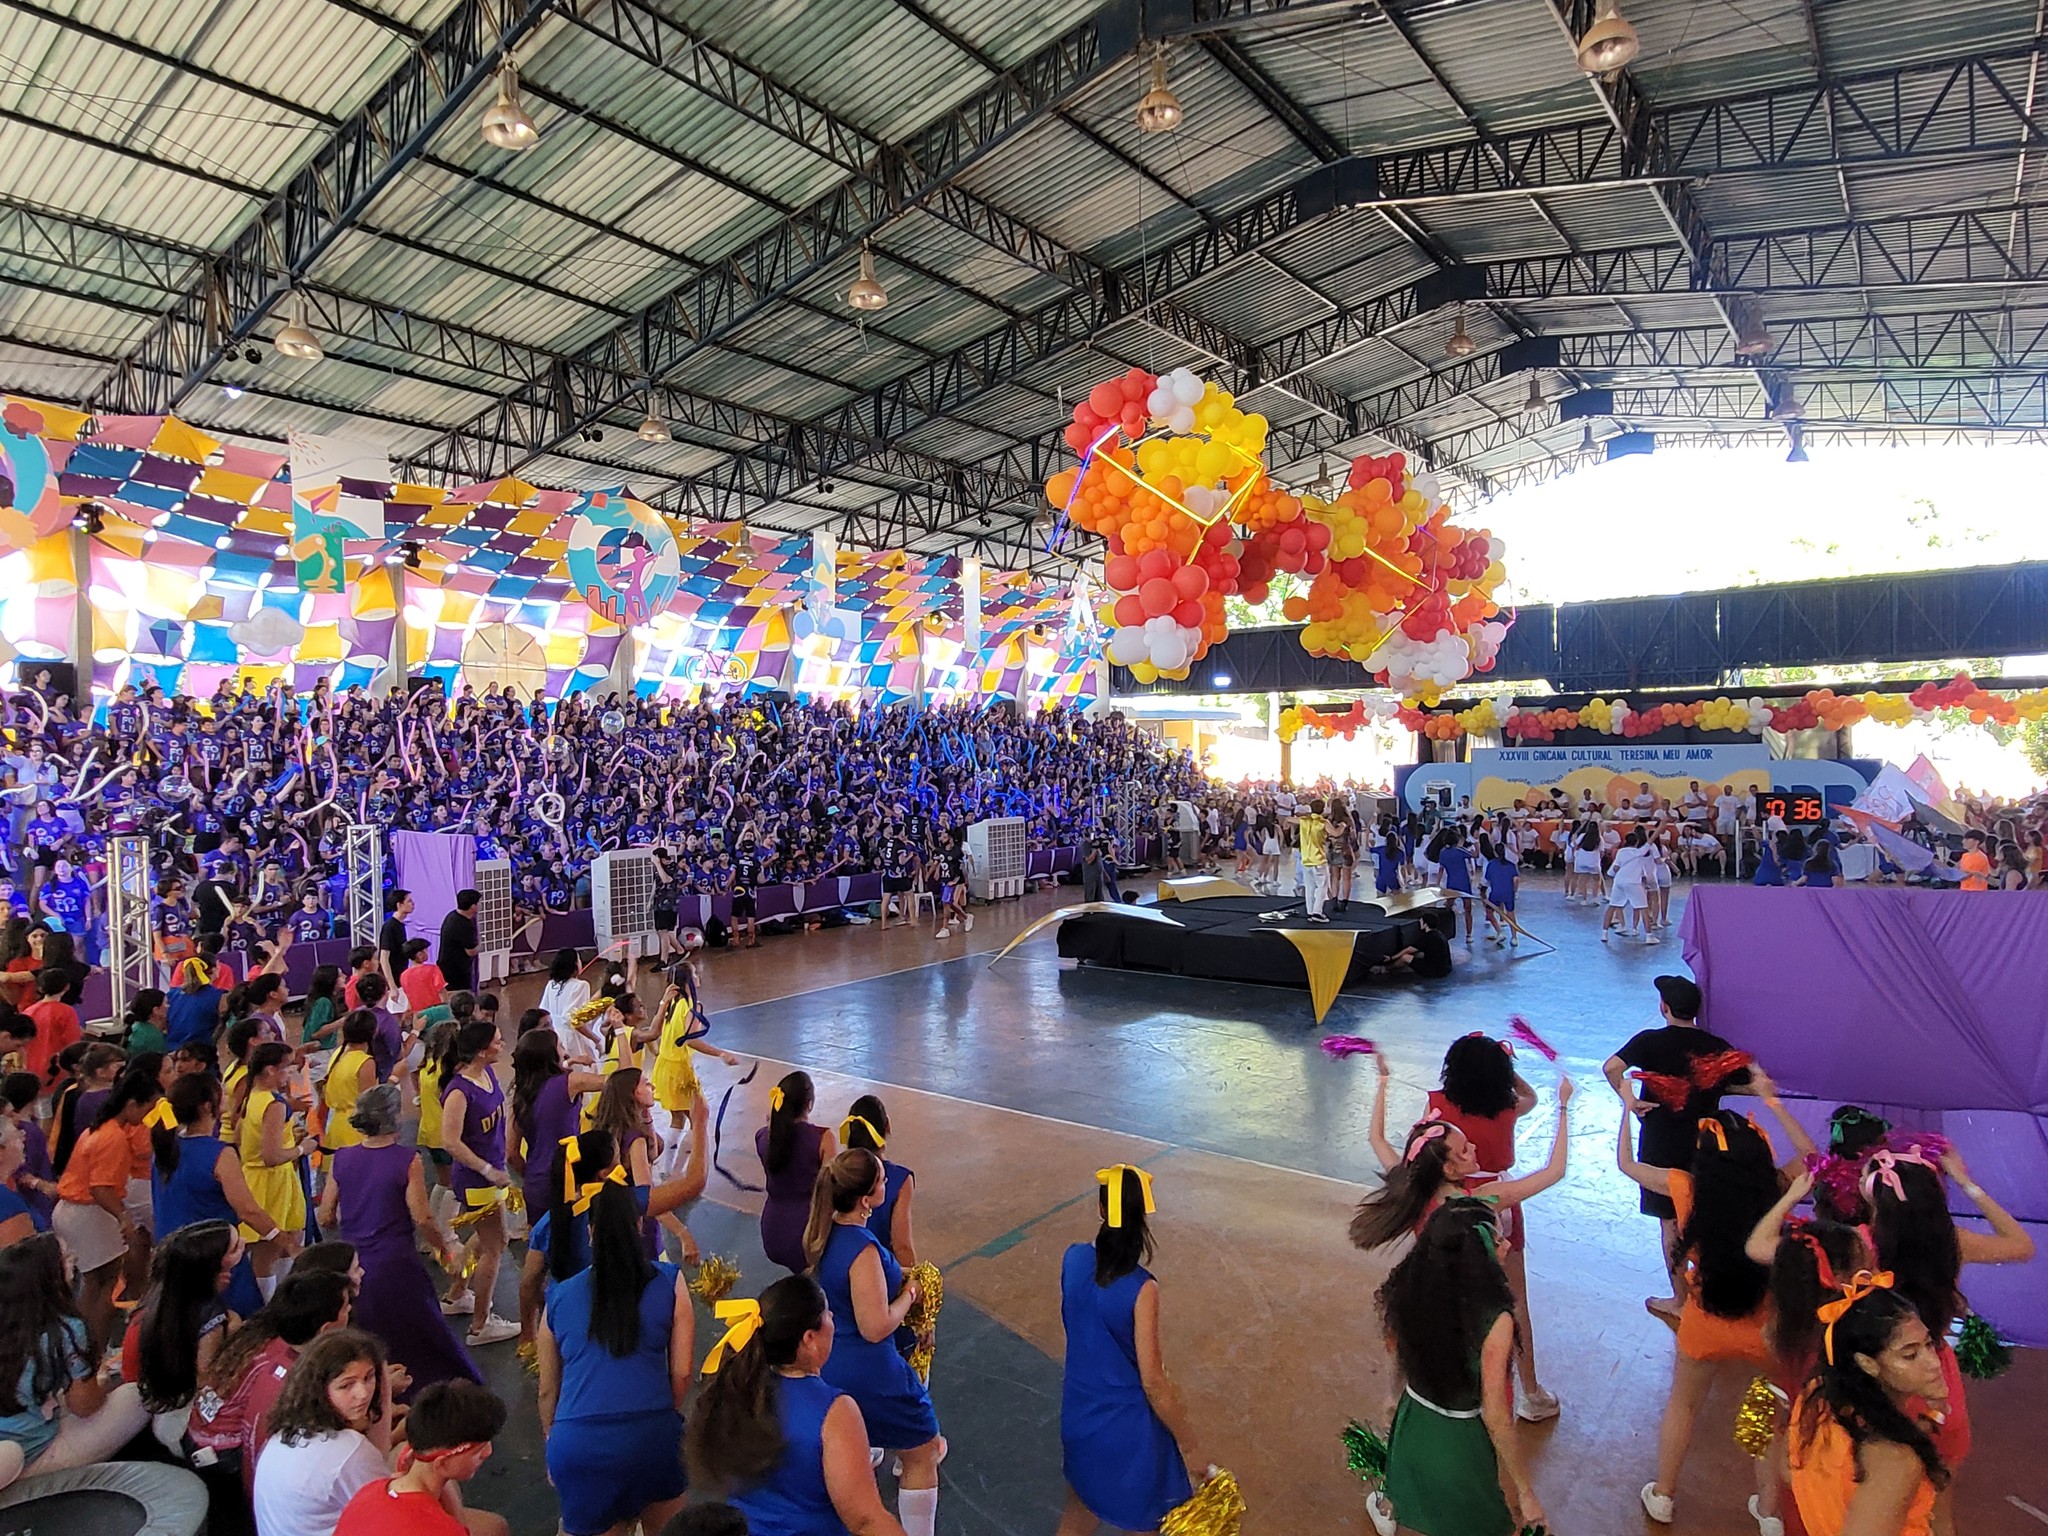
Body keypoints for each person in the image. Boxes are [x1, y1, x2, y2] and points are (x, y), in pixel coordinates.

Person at [1619, 1089, 1817, 1528]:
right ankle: (1768, 1511)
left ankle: (1664, 1495)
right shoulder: (1776, 1188)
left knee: (1684, 1405)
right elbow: (1810, 1155)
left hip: (1705, 1323)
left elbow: (1627, 1166)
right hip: (1765, 1328)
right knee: (1765, 1412)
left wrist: (1627, 1112)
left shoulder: (1687, 1188)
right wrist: (1774, 1101)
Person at [684, 1274, 907, 1536]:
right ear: (809, 1339)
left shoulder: (736, 1390)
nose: (833, 1319)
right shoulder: (835, 1411)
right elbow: (866, 1521)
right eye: (827, 1314)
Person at [1374, 1200, 1542, 1536]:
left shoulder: (1411, 1288)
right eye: (1496, 1240)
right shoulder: (1495, 1320)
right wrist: (1525, 1490)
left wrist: (1391, 1398)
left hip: (1411, 1429)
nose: (1507, 1244)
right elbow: (1495, 1415)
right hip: (1458, 1445)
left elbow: (1396, 1352)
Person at [1864, 1142, 2034, 1475]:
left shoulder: (1858, 1244)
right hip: (1934, 1377)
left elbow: (1762, 1250)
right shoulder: (1953, 1241)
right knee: (1938, 1501)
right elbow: (2022, 1245)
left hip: (1880, 1377)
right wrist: (1966, 1182)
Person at [538, 1176, 694, 1536]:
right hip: (653, 1436)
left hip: (578, 1444)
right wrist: (657, 1415)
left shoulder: (558, 1296)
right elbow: (682, 1372)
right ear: (639, 1225)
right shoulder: (670, 1281)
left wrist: (553, 1439)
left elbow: (548, 1389)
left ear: (590, 1232)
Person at [803, 1150, 943, 1535]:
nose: (887, 1183)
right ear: (867, 1199)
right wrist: (911, 1296)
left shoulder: (826, 1234)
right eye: (881, 1180)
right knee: (923, 1452)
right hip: (871, 1370)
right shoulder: (863, 1248)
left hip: (833, 1366)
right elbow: (876, 1326)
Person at [1054, 1164, 1197, 1536]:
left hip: (1079, 1416)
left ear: (1102, 1210)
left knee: (1080, 1509)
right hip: (1127, 1434)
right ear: (1142, 1217)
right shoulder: (1141, 1289)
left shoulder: (1073, 1259)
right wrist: (1189, 1441)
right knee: (1144, 1524)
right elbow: (1153, 1381)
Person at [1603, 974, 1753, 1321]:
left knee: (1670, 1222)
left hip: (1660, 1142)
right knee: (1708, 1215)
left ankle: (1680, 1300)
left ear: (1664, 1008)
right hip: (1706, 1142)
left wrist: (1630, 1100)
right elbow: (1751, 1083)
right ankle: (1715, 1296)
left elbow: (1612, 1068)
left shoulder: (1649, 1042)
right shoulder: (1717, 1045)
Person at [317, 1085, 478, 1401]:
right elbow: (422, 1217)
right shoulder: (406, 1160)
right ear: (394, 1117)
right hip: (395, 1263)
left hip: (354, 1264)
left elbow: (325, 1215)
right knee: (426, 1336)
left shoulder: (342, 1158)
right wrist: (445, 1252)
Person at [1425, 1034, 1554, 1418]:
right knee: (1515, 1300)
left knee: (1449, 1297)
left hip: (1451, 1203)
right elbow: (1531, 1096)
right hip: (1502, 1203)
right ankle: (1530, 1391)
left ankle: (1448, 1387)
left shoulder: (1437, 1104)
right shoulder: (1509, 1106)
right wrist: (1508, 1066)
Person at [1789, 1278, 1953, 1536]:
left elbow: (1790, 1469)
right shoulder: (1895, 1461)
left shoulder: (1816, 1399)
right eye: (1910, 1355)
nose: (1933, 1363)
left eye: (1929, 1344)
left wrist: (1929, 1416)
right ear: (1867, 1363)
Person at [189, 1268, 358, 1499]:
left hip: (198, 1433)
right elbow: (259, 1439)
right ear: (325, 1328)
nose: (350, 1309)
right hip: (222, 1456)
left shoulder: (263, 1332)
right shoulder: (286, 1373)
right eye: (346, 1306)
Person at [0, 1232, 150, 1486]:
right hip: (29, 1453)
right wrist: (101, 1382)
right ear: (48, 1278)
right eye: (66, 1259)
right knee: (135, 1397)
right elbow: (85, 1406)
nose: (74, 1260)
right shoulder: (66, 1330)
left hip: (24, 1432)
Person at [249, 1328, 400, 1536]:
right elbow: (392, 1515)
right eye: (347, 1385)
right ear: (320, 1389)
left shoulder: (285, 1432)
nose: (363, 1393)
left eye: (369, 1377)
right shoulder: (350, 1450)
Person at [54, 1070, 156, 1348]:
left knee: (94, 1282)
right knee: (106, 1285)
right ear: (133, 1104)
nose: (147, 1117)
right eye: (147, 1109)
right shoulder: (113, 1137)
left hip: (76, 1210)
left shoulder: (101, 1128)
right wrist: (124, 1219)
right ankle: (92, 1351)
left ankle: (82, 1349)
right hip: (88, 1212)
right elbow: (101, 1188)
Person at [332, 1379, 510, 1536]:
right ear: (442, 1463)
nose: (488, 1452)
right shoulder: (439, 1530)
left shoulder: (370, 1490)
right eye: (478, 1451)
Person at [436, 1021, 518, 1346]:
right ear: (482, 1050)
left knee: (484, 1240)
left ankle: (457, 1293)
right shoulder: (459, 1090)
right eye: (497, 1041)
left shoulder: (488, 1075)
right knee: (496, 1246)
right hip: (476, 1178)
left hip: (491, 1171)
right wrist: (487, 1169)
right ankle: (481, 1324)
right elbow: (450, 1142)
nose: (502, 1044)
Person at [131, 1221, 243, 1450]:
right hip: (185, 1427)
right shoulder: (211, 1314)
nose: (243, 1245)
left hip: (162, 1407)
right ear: (214, 1264)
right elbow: (206, 1378)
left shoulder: (161, 1298)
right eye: (234, 1248)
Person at [234, 1041, 309, 1297]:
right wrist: (301, 1149)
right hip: (273, 1183)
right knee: (270, 1253)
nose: (289, 1074)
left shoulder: (251, 1097)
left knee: (276, 1247)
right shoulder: (274, 1104)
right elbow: (271, 1155)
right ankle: (273, 1307)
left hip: (257, 1178)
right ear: (269, 1071)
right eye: (285, 1069)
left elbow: (241, 1139)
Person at [757, 1071, 833, 1273]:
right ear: (809, 1104)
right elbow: (832, 1190)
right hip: (808, 1231)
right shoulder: (823, 1139)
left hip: (772, 1230)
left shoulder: (763, 1137)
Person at [839, 1096, 915, 1268]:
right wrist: (914, 1282)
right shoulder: (900, 1180)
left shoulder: (839, 1170)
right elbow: (902, 1246)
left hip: (840, 1260)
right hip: (877, 1268)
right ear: (887, 1125)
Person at [321, 1012, 378, 1153]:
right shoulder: (365, 1062)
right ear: (374, 1032)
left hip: (335, 1125)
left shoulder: (338, 1053)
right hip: (356, 1129)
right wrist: (394, 1078)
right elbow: (369, 1102)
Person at [1294, 797, 1331, 922]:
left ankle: (1310, 911)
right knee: (1322, 886)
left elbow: (1290, 819)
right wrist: (1343, 826)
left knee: (1309, 886)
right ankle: (1317, 912)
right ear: (1323, 809)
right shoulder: (1323, 823)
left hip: (1306, 859)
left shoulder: (1304, 820)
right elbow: (1335, 833)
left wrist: (1287, 821)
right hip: (1319, 859)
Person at [437, 890, 481, 993]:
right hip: (456, 971)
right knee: (461, 997)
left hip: (447, 966)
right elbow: (471, 951)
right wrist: (482, 945)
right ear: (473, 906)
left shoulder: (452, 915)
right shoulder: (464, 925)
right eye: (478, 902)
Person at [378, 890, 415, 993]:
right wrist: (392, 986)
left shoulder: (400, 925)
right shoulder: (389, 927)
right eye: (409, 901)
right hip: (393, 980)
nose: (413, 904)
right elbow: (384, 958)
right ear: (399, 904)